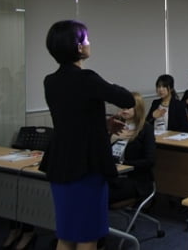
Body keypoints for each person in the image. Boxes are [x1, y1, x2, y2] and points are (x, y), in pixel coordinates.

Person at [39, 20, 135, 250]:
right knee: (87, 236)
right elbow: (127, 99)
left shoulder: (50, 81)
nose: (89, 42)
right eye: (86, 39)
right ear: (78, 46)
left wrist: (101, 124)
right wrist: (102, 85)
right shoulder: (87, 78)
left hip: (60, 163)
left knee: (67, 234)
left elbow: (72, 119)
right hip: (86, 167)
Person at [108, 92, 156, 203]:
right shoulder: (116, 126)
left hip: (136, 179)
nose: (125, 110)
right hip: (115, 175)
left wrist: (124, 163)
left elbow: (150, 161)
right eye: (123, 107)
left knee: (104, 193)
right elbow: (103, 152)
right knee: (93, 188)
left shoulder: (145, 129)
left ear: (138, 109)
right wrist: (112, 139)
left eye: (129, 108)